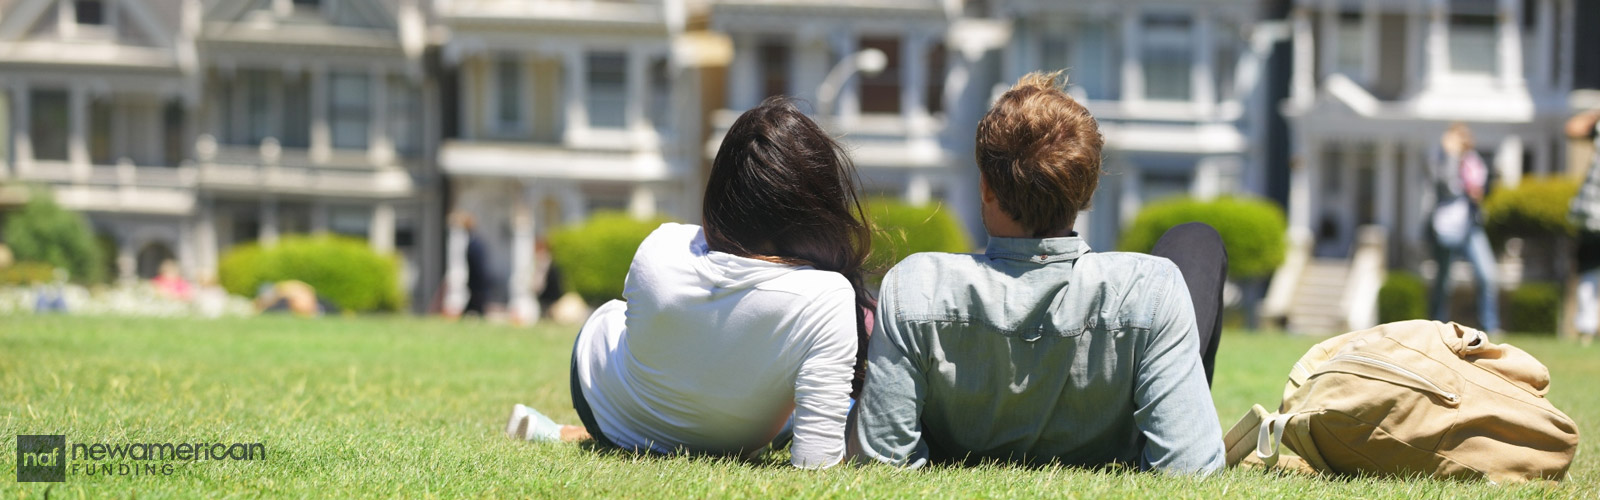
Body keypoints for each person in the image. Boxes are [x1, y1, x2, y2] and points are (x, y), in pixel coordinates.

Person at [849, 72, 1226, 473]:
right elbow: (1191, 468)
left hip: (955, 437)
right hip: (1119, 434)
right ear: (1088, 189)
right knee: (1196, 241)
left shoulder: (915, 284)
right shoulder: (1153, 287)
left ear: (986, 187)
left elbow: (883, 458)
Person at [505, 97, 874, 469]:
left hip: (613, 411)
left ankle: (577, 434)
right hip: (738, 436)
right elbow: (817, 463)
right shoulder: (828, 297)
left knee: (609, 319)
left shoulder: (662, 244)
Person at [1427, 123, 1499, 334]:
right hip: (1446, 227)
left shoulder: (1473, 162)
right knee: (1444, 280)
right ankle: (1436, 325)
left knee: (1487, 275)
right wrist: (1451, 156)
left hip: (1470, 225)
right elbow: (1447, 186)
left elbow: (1483, 188)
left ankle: (1490, 325)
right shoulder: (1438, 159)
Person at [1569, 111, 1600, 344]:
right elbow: (1573, 128)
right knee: (1589, 271)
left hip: (1591, 213)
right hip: (1592, 214)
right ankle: (1586, 329)